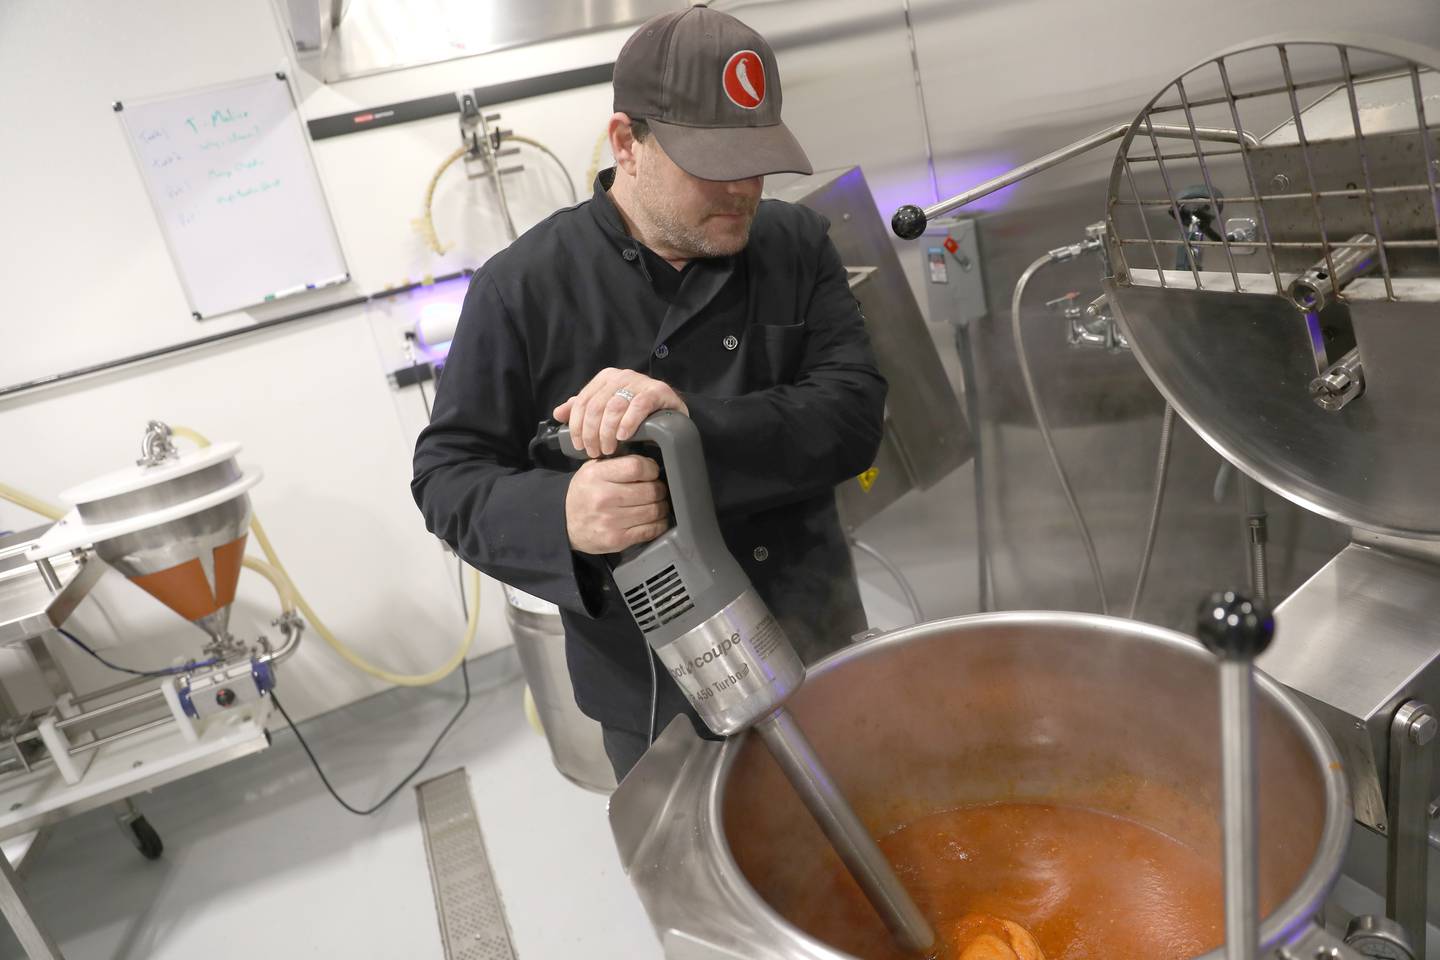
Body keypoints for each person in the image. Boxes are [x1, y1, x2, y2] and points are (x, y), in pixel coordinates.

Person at [412, 3, 885, 780]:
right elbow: (446, 478)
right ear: (627, 142)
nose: (744, 190)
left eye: (758, 160)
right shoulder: (521, 289)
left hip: (817, 636)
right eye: (714, 162)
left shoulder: (792, 244)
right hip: (656, 694)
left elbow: (854, 414)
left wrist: (691, 426)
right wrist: (563, 513)